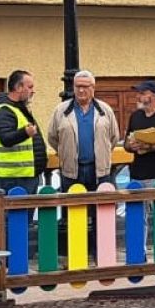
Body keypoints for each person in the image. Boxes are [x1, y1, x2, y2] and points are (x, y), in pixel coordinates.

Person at [48, 70, 119, 260]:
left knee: (100, 215)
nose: (81, 90)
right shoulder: (61, 110)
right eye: (77, 86)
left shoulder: (105, 110)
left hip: (99, 170)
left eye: (85, 87)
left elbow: (114, 137)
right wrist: (67, 154)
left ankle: (101, 255)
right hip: (72, 171)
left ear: (93, 89)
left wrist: (101, 154)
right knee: (73, 214)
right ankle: (76, 256)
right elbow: (53, 138)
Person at [0, 69, 48, 194]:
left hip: (26, 174)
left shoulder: (18, 107)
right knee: (14, 213)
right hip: (14, 177)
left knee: (24, 213)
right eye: (30, 87)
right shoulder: (3, 110)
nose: (33, 91)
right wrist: (25, 133)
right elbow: (5, 138)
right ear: (19, 87)